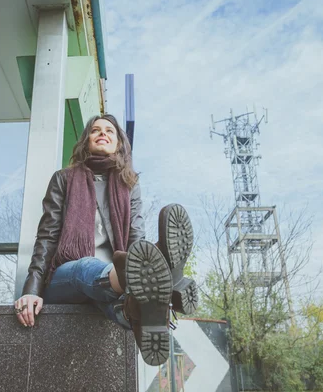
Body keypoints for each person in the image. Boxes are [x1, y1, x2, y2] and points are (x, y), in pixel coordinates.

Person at [14, 114, 196, 366]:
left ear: (119, 144)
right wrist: (31, 290)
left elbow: (135, 239)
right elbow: (47, 237)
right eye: (95, 130)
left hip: (109, 286)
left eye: (110, 131)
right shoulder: (64, 179)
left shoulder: (129, 184)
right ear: (85, 140)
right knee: (85, 267)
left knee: (121, 303)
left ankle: (136, 307)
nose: (103, 133)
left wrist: (142, 259)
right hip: (66, 278)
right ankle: (158, 285)